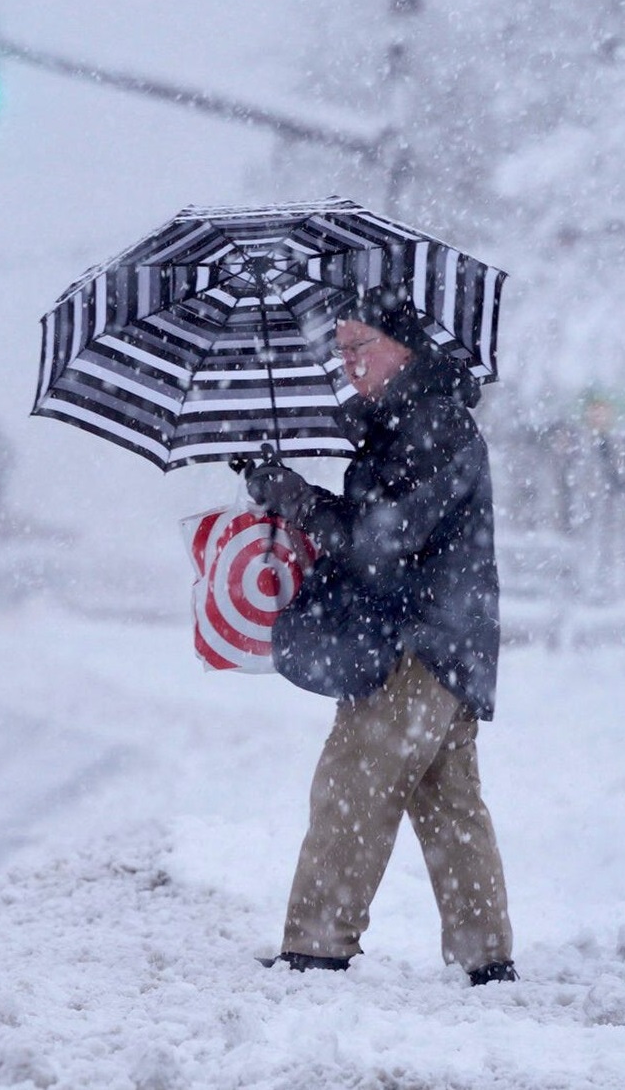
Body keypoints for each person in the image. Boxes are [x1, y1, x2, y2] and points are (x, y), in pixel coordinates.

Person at [245, 292, 515, 986]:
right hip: (448, 640)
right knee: (448, 801)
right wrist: (290, 489)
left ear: (404, 347)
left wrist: (300, 501)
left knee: (350, 783)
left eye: (359, 345)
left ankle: (315, 947)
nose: (348, 361)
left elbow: (382, 541)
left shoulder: (429, 424)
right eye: (340, 348)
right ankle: (485, 958)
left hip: (415, 642)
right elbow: (378, 527)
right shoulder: (406, 423)